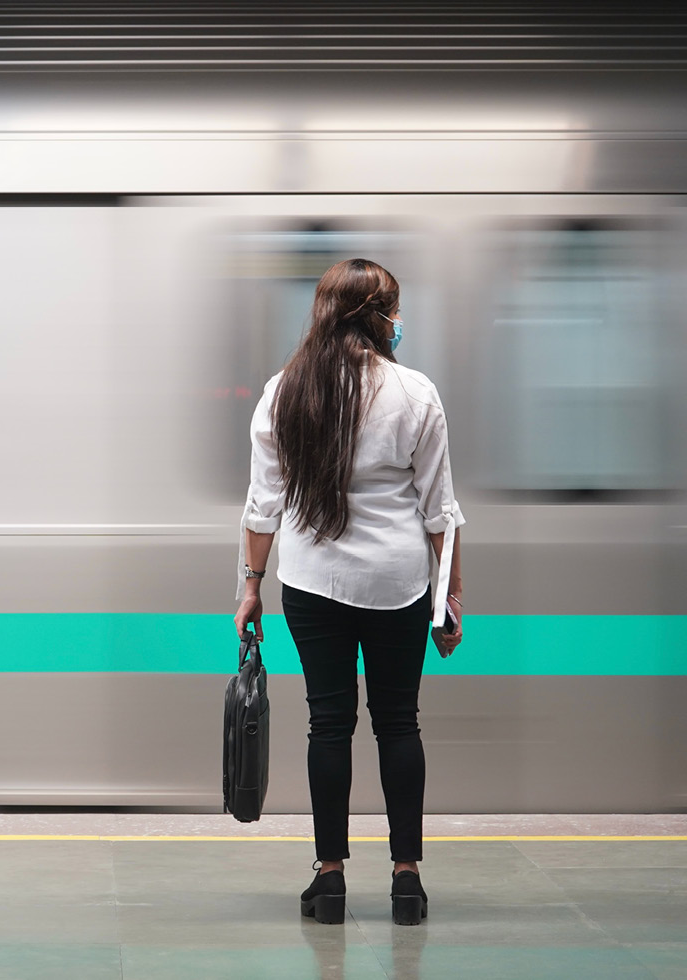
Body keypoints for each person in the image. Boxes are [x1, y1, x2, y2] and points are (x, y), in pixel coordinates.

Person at [234, 258, 464, 927]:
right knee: (399, 722)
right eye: (397, 310)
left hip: (314, 583)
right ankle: (407, 881)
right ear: (384, 316)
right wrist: (449, 598)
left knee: (328, 724)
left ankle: (329, 878)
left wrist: (250, 587)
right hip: (399, 583)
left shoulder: (285, 390)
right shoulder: (415, 391)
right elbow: (439, 511)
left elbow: (261, 506)